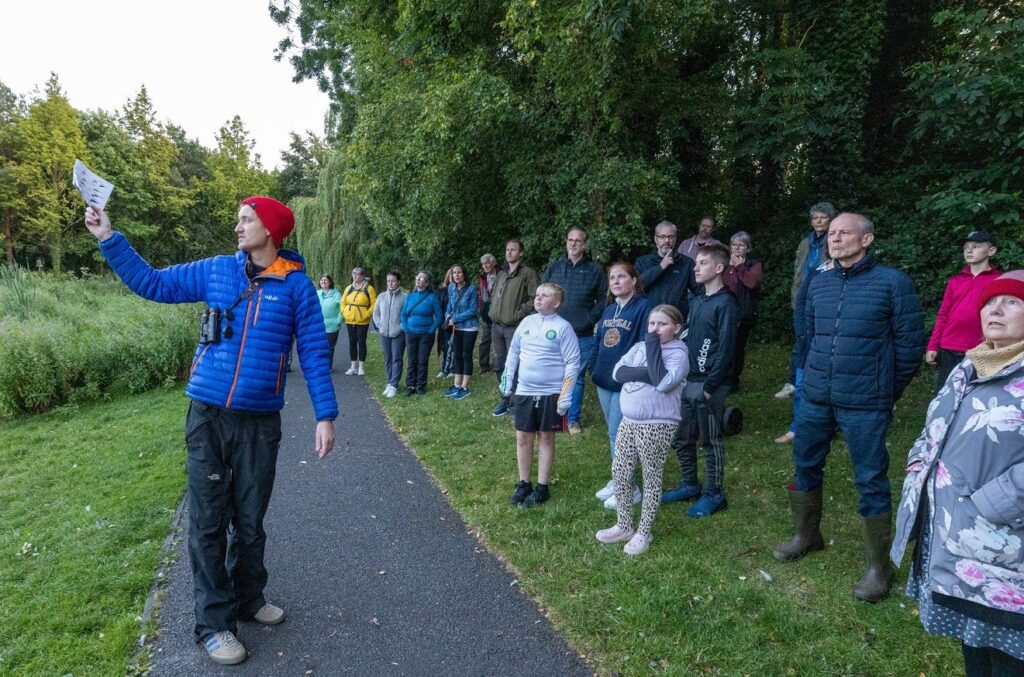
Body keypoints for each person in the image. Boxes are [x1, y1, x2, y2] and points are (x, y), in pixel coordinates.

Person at [84, 197, 337, 666]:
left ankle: (248, 598)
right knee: (207, 522)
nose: (237, 226)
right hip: (208, 417)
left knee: (250, 518)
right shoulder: (217, 271)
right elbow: (153, 283)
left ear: (271, 229)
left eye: (247, 219)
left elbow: (316, 356)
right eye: (239, 219)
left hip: (260, 422)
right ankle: (214, 625)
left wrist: (325, 415)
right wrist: (107, 238)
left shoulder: (298, 288)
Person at [772, 212, 925, 603]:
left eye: (844, 233)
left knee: (871, 478)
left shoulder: (893, 282)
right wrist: (810, 378)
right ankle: (807, 535)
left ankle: (880, 566)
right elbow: (807, 334)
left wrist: (886, 391)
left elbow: (909, 345)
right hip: (817, 397)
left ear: (867, 239)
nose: (834, 238)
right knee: (805, 463)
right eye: (832, 233)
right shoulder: (818, 281)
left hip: (866, 403)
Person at [892, 270, 1024, 676]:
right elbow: (934, 429)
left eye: (1012, 302)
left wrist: (994, 502)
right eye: (988, 302)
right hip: (957, 536)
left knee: (1009, 655)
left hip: (1003, 541)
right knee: (974, 643)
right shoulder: (970, 366)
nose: (994, 309)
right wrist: (918, 467)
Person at [595, 305, 688, 555]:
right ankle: (624, 524)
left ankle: (644, 532)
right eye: (651, 324)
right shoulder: (638, 347)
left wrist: (652, 350)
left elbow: (665, 381)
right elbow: (618, 372)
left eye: (662, 324)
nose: (654, 329)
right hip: (630, 420)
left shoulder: (679, 353)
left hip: (657, 424)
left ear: (677, 328)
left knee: (651, 476)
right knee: (620, 471)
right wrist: (647, 372)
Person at [662, 244, 738, 518]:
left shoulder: (726, 304)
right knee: (681, 437)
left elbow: (727, 349)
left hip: (708, 385)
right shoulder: (698, 301)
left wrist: (709, 387)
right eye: (696, 263)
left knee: (710, 439)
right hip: (687, 380)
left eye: (702, 263)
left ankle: (714, 493)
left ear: (719, 268)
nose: (695, 267)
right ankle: (689, 484)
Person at [503, 283, 580, 507]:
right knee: (523, 437)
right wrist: (508, 380)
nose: (538, 298)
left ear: (556, 303)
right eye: (537, 295)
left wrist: (565, 394)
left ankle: (542, 486)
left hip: (550, 393)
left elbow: (573, 363)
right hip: (525, 390)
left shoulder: (563, 328)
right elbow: (514, 352)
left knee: (545, 437)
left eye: (544, 295)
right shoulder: (526, 323)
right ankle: (524, 483)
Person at [589, 263, 651, 509]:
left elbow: (645, 345)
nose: (615, 281)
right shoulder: (610, 310)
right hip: (603, 378)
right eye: (612, 278)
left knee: (619, 435)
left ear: (634, 280)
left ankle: (630, 488)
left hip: (625, 381)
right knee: (613, 434)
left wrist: (631, 375)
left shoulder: (644, 308)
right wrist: (593, 366)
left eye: (621, 277)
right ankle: (619, 479)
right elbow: (598, 341)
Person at [540, 227, 608, 434]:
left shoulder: (595, 269)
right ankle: (552, 417)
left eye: (578, 241)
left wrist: (589, 319)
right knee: (552, 374)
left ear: (585, 244)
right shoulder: (555, 268)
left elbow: (605, 298)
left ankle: (572, 420)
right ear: (566, 242)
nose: (573, 244)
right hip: (554, 333)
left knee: (575, 377)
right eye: (570, 240)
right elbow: (542, 292)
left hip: (582, 333)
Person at [774, 201, 836, 399]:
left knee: (821, 340)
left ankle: (817, 382)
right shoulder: (805, 243)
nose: (818, 221)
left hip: (824, 297)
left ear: (830, 219)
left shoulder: (834, 240)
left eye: (823, 217)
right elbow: (797, 272)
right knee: (801, 339)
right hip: (802, 298)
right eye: (815, 217)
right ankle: (793, 382)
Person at [925, 231, 1000, 391]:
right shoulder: (955, 281)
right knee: (946, 392)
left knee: (977, 393)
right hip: (950, 346)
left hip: (982, 347)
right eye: (966, 247)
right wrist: (932, 345)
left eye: (976, 246)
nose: (969, 250)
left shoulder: (998, 281)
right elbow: (943, 315)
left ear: (991, 251)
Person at [774, 257, 833, 445]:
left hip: (838, 343)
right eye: (832, 235)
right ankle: (796, 428)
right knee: (801, 385)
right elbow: (801, 305)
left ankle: (831, 426)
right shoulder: (818, 272)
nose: (836, 239)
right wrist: (803, 334)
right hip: (809, 341)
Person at [489, 239, 539, 417]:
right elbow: (494, 294)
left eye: (513, 250)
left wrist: (518, 313)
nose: (509, 252)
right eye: (507, 249)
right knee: (499, 364)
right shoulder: (501, 273)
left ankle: (517, 403)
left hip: (514, 327)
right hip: (496, 326)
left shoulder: (528, 273)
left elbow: (535, 298)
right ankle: (505, 398)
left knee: (515, 366)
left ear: (521, 253)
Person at [634, 220, 700, 321]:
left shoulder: (686, 263)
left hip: (676, 320)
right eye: (662, 236)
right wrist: (661, 267)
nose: (666, 240)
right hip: (648, 319)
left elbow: (700, 290)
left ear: (675, 238)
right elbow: (636, 286)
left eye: (670, 237)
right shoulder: (643, 262)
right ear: (655, 239)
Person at [722, 231, 762, 389]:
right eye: (734, 244)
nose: (737, 248)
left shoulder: (754, 264)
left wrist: (739, 266)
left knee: (737, 347)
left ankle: (733, 379)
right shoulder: (724, 264)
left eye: (741, 245)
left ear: (748, 248)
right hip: (724, 311)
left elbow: (752, 283)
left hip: (743, 313)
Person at [400, 271, 443, 395]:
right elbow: (403, 314)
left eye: (422, 278)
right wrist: (406, 328)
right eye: (417, 277)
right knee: (412, 360)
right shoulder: (410, 296)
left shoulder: (432, 297)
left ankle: (420, 385)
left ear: (427, 283)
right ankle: (410, 385)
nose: (418, 280)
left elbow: (439, 317)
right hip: (411, 333)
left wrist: (431, 330)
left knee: (422, 360)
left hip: (426, 334)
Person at [442, 264, 479, 400]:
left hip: (469, 327)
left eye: (459, 272)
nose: (456, 275)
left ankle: (464, 387)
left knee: (466, 355)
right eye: (454, 273)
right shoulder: (451, 287)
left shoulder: (471, 289)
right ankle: (456, 385)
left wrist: (455, 318)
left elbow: (473, 310)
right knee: (457, 355)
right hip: (456, 327)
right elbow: (450, 305)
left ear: (464, 274)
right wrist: (447, 315)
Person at [372, 271, 407, 398]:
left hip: (398, 333)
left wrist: (400, 327)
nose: (390, 283)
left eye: (392, 281)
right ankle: (389, 381)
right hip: (384, 333)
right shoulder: (381, 296)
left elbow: (406, 315)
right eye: (388, 281)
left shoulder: (405, 297)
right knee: (387, 358)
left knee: (397, 358)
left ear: (398, 282)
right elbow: (376, 314)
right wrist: (380, 325)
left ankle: (394, 385)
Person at [340, 267, 376, 375]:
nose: (355, 277)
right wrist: (344, 312)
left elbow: (374, 303)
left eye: (358, 275)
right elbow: (343, 301)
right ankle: (353, 366)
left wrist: (367, 314)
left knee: (361, 342)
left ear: (362, 276)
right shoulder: (349, 288)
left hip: (362, 320)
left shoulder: (369, 289)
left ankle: (361, 366)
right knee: (352, 342)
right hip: (350, 319)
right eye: (354, 275)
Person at [477, 253, 499, 373]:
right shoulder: (482, 277)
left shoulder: (502, 274)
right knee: (485, 340)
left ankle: (497, 364)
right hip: (486, 312)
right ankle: (484, 365)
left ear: (494, 263)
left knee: (498, 340)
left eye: (487, 263)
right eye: (483, 264)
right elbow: (481, 295)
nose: (485, 266)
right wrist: (481, 309)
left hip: (499, 311)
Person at [317, 274, 342, 370]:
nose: (323, 282)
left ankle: (328, 366)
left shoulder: (336, 294)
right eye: (321, 280)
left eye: (325, 280)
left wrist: (338, 320)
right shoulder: (316, 293)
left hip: (332, 326)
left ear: (330, 282)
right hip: (318, 325)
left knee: (329, 347)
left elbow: (342, 308)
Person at [436, 265, 455, 378]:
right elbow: (437, 307)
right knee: (445, 346)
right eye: (452, 274)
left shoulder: (459, 290)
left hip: (456, 323)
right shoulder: (442, 291)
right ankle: (444, 368)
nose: (454, 276)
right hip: (444, 324)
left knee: (454, 347)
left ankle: (453, 369)